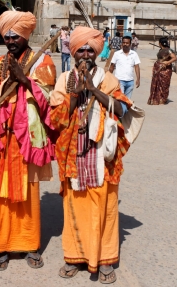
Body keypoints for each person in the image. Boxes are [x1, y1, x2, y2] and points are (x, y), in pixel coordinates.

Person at [0, 10, 57, 271]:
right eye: (7, 36)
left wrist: (26, 81)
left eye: (16, 36)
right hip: (1, 140)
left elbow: (50, 100)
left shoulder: (43, 63)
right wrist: (5, 85)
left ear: (26, 35)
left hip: (26, 142)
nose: (10, 40)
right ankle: (0, 245)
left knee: (28, 193)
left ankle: (29, 245)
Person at [50, 26, 133, 283]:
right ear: (73, 52)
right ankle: (74, 257)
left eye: (89, 49)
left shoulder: (108, 79)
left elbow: (121, 109)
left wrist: (94, 90)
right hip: (74, 154)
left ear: (96, 52)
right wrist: (75, 95)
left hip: (102, 157)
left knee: (104, 207)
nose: (85, 54)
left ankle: (105, 259)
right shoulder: (64, 80)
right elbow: (56, 119)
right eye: (80, 49)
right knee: (75, 206)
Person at [147, 37, 177, 105]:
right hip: (157, 68)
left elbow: (175, 58)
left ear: (160, 43)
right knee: (156, 83)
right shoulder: (161, 50)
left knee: (164, 84)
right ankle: (156, 99)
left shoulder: (169, 50)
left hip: (165, 69)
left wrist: (167, 62)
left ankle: (162, 99)